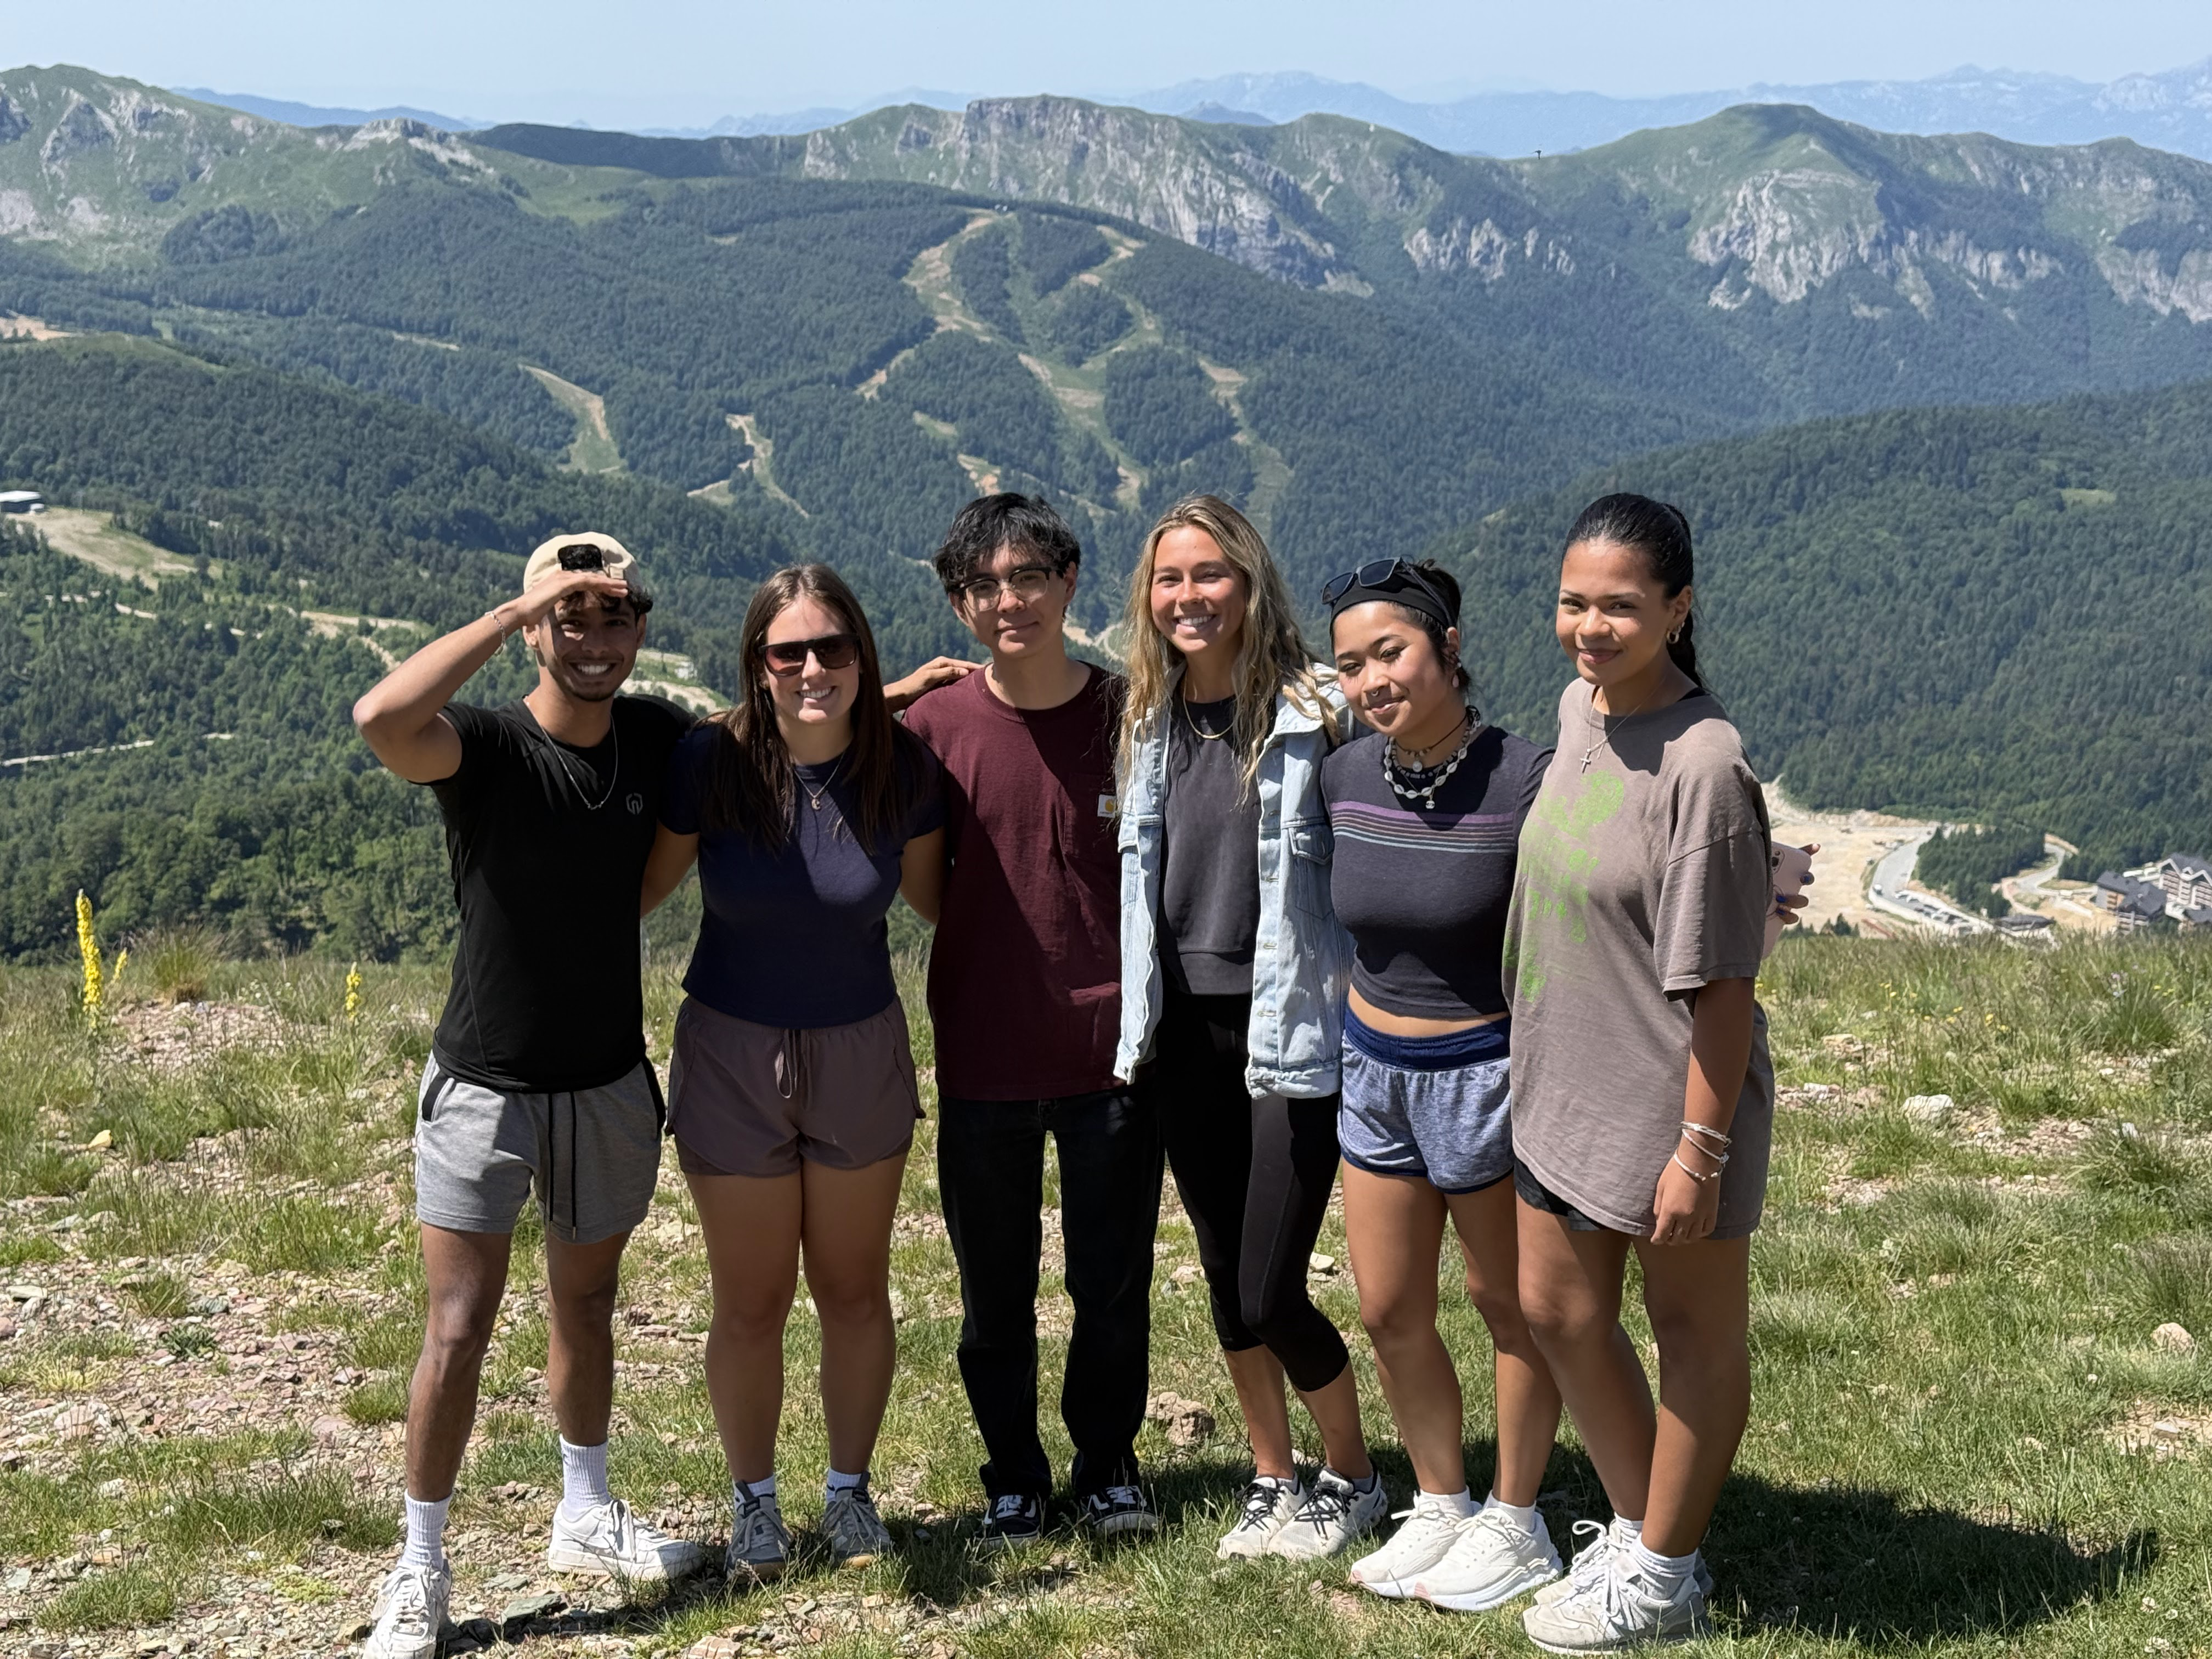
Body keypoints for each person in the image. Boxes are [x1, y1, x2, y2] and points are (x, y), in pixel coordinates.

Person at [350, 533, 705, 1659]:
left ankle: (585, 1512)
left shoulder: (655, 737)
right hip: (484, 1084)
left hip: (606, 1079)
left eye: (615, 616)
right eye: (570, 616)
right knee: (456, 1330)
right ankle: (419, 1569)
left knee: (588, 1308)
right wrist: (513, 614)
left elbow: (773, 740)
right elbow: (380, 719)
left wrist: (901, 688)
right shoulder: (488, 747)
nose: (594, 638)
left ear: (640, 628)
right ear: (536, 626)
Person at [1504, 494, 1773, 1651]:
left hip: (1668, 1101)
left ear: (1679, 606)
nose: (1592, 626)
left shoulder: (1706, 767)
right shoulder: (1582, 708)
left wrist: (1699, 1153)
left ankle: (1663, 1575)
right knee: (1556, 1311)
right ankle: (1639, 1523)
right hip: (1562, 1077)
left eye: (1621, 605)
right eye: (1574, 601)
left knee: (1689, 1330)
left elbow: (1724, 989)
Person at [640, 565, 946, 1578]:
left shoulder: (904, 769)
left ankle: (850, 1495)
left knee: (856, 1293)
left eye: (835, 649)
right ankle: (755, 1505)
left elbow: (947, 906)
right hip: (731, 1049)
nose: (814, 668)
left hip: (859, 1044)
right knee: (751, 1300)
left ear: (864, 655)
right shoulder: (706, 765)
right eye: (790, 653)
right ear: (758, 667)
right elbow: (636, 895)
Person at [1114, 495, 1385, 1561]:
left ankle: (1352, 1475)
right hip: (1179, 1027)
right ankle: (1273, 1476)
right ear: (1150, 596)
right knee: (1228, 1268)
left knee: (1274, 1281)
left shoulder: (1320, 711)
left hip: (1294, 1024)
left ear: (1249, 583)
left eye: (1210, 574)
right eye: (1171, 578)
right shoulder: (1146, 720)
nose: (1190, 596)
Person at [902, 493, 1164, 1545]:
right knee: (992, 1294)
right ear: (961, 605)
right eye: (983, 586)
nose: (1008, 601)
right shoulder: (932, 727)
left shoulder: (1132, 713)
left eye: (1027, 578)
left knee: (1112, 1284)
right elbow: (930, 886)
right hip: (984, 1048)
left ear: (1067, 581)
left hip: (1114, 1054)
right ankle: (1013, 1473)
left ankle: (1107, 1467)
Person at [1317, 558, 1569, 1611]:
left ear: (1448, 645)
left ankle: (1518, 1522)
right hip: (1374, 1069)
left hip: (1486, 1072)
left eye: (1392, 652)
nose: (1372, 680)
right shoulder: (1344, 777)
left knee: (1509, 1305)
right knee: (1386, 1307)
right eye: (1350, 665)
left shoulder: (1527, 776)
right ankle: (1441, 1503)